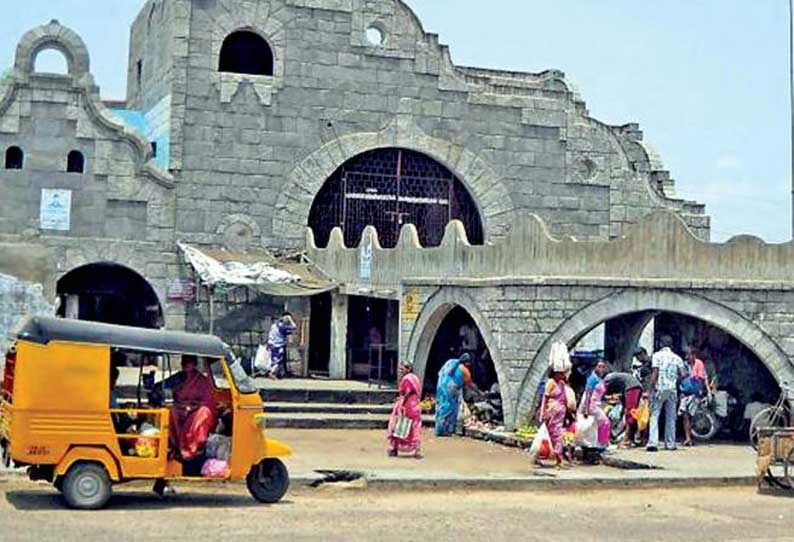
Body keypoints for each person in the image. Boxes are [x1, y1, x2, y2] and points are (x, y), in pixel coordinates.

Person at [152, 355, 217, 461]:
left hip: (196, 411)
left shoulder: (202, 381)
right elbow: (161, 386)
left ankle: (192, 449)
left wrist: (193, 407)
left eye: (189, 363)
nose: (186, 366)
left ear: (194, 365)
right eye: (184, 363)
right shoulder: (179, 378)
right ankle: (175, 447)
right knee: (169, 412)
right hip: (180, 408)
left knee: (204, 413)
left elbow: (208, 401)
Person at [645, 335, 686, 452]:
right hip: (672, 390)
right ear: (671, 345)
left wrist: (648, 390)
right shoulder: (677, 358)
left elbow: (655, 373)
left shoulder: (656, 356)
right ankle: (670, 443)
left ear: (660, 344)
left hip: (659, 389)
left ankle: (653, 443)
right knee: (671, 417)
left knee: (654, 415)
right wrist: (674, 381)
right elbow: (683, 374)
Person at [536, 370, 575, 468]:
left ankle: (559, 459)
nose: (562, 375)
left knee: (558, 436)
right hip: (551, 412)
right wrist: (543, 412)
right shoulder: (551, 382)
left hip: (560, 413)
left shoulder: (562, 384)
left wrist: (570, 413)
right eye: (561, 373)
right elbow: (545, 399)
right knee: (550, 435)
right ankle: (549, 457)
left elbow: (565, 399)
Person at [435, 353, 480, 436]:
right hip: (452, 393)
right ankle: (448, 431)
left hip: (441, 390)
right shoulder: (464, 370)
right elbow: (470, 384)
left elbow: (440, 373)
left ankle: (439, 430)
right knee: (451, 411)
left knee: (441, 408)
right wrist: (479, 393)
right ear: (467, 363)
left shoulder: (450, 362)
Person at [387, 362, 423, 459]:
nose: (400, 371)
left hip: (408, 405)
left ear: (408, 369)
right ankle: (417, 450)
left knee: (398, 425)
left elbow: (408, 392)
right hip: (415, 405)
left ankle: (394, 449)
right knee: (415, 428)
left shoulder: (407, 379)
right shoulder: (415, 378)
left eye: (402, 369)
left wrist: (402, 403)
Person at [604, 370, 643, 448]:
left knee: (630, 414)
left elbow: (602, 390)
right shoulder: (617, 380)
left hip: (632, 387)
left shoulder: (607, 378)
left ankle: (626, 439)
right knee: (630, 413)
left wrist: (603, 396)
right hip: (633, 387)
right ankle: (630, 438)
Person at [680, 348, 708, 447]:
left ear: (693, 355)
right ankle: (687, 437)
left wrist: (707, 391)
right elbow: (680, 376)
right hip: (685, 393)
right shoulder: (683, 364)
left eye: (688, 355)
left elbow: (704, 378)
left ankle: (689, 437)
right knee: (685, 416)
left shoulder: (699, 364)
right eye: (686, 355)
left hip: (695, 394)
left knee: (691, 417)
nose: (687, 357)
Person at [580, 359, 611, 449]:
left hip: (597, 404)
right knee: (605, 422)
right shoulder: (592, 378)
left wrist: (607, 398)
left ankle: (596, 444)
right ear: (594, 367)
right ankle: (601, 444)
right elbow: (588, 394)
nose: (601, 369)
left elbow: (598, 394)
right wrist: (586, 409)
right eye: (599, 366)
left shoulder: (599, 379)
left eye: (603, 367)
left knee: (595, 426)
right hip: (591, 405)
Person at [266, 312, 297, 380]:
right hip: (278, 345)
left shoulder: (274, 325)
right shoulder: (282, 327)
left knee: (274, 359)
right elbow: (294, 327)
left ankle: (278, 374)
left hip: (272, 344)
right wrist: (291, 320)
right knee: (278, 360)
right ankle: (272, 372)